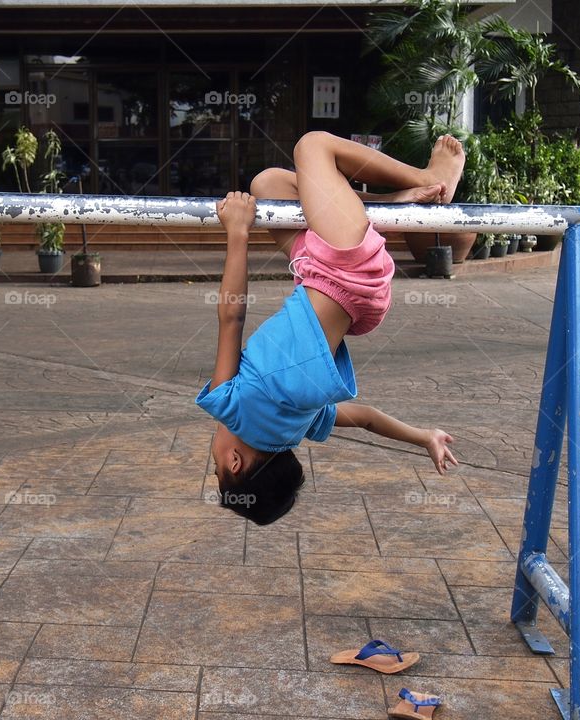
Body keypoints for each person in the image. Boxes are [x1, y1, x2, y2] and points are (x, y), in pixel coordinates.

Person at [197, 131, 464, 525]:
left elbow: (369, 418)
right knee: (311, 146)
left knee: (267, 185)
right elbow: (231, 316)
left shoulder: (299, 425)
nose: (214, 454)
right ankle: (427, 179)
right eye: (215, 466)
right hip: (345, 272)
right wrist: (238, 233)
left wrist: (424, 436)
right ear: (234, 462)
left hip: (337, 286)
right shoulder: (231, 407)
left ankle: (387, 206)